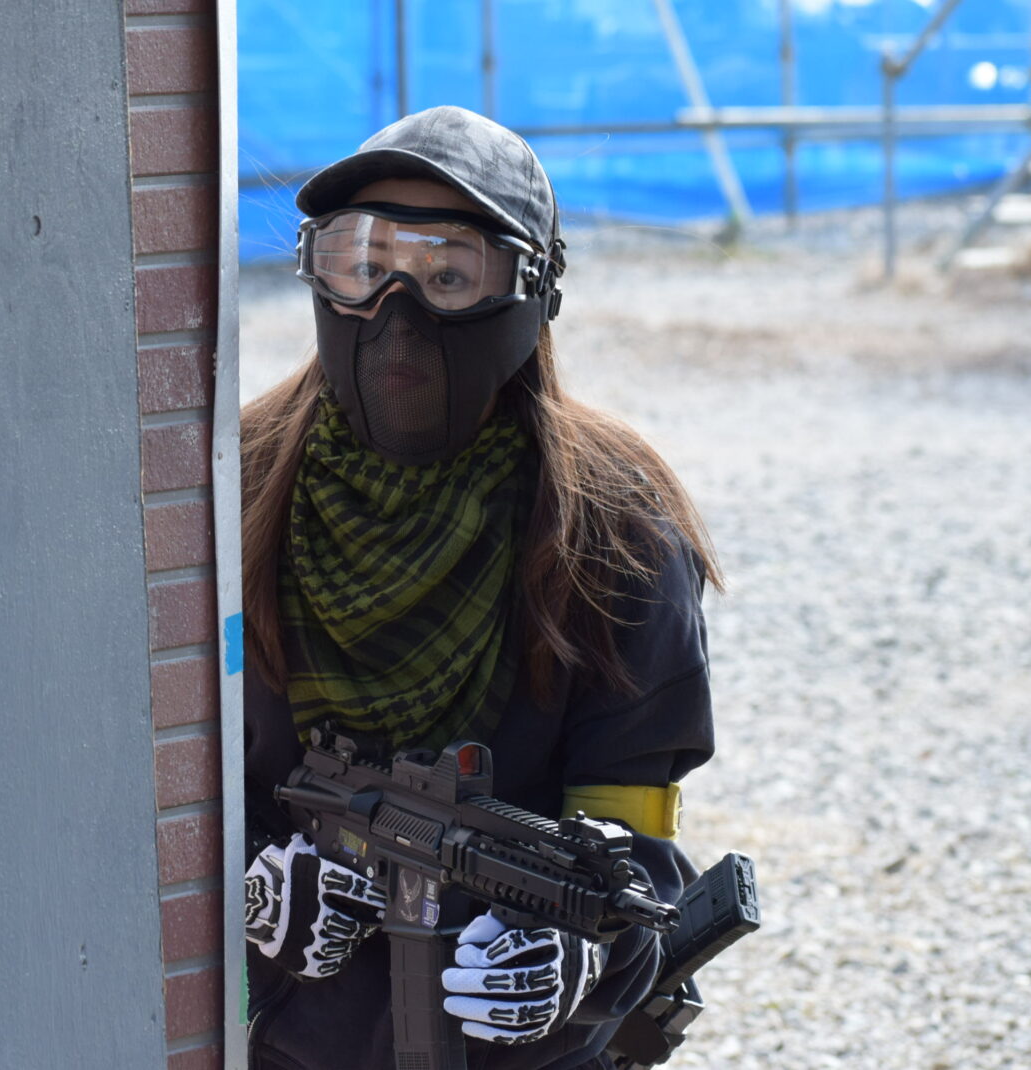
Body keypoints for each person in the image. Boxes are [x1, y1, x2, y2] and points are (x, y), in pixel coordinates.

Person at [241, 105, 720, 1070]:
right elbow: (145, 771)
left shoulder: (614, 527)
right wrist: (242, 886)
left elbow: (635, 836)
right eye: (361, 263)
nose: (396, 312)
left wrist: (590, 953)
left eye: (450, 274)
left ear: (532, 292)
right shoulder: (232, 489)